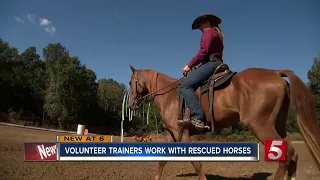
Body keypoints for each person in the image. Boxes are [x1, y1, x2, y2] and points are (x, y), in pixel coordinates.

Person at [178, 13, 224, 130]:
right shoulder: (216, 33)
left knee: (185, 85)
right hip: (216, 62)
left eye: (200, 26)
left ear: (206, 23)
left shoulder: (208, 32)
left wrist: (189, 65)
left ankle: (197, 117)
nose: (200, 29)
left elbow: (204, 52)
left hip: (212, 63)